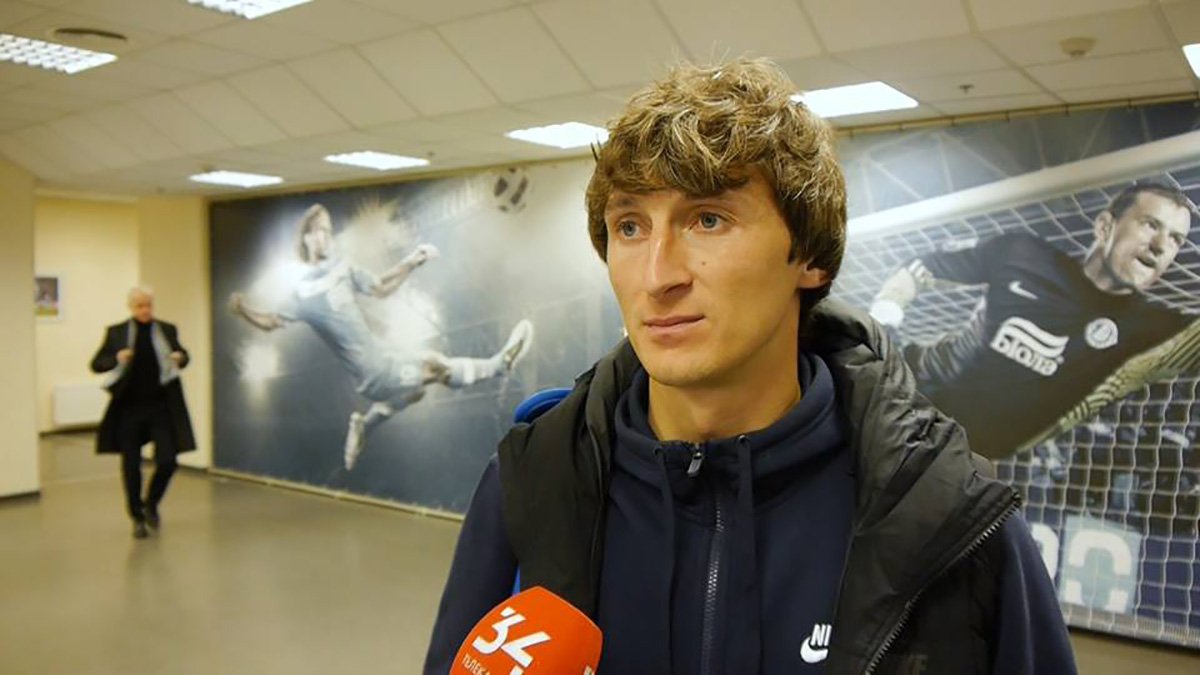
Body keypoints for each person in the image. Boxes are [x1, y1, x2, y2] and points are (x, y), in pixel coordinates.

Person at [425, 59, 1075, 674]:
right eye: (630, 227)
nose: (656, 276)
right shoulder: (532, 481)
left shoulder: (948, 515)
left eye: (708, 219)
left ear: (809, 257)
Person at [869, 182, 1198, 459]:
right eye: (1150, 225)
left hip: (965, 457)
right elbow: (920, 268)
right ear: (1104, 226)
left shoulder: (1155, 330)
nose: (1160, 246)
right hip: (903, 399)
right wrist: (882, 326)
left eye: (1175, 239)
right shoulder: (1023, 255)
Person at [229, 203, 534, 470]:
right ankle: (499, 366)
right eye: (318, 230)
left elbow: (379, 287)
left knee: (415, 391)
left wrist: (412, 261)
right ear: (306, 237)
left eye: (328, 230)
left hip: (384, 355)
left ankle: (365, 425)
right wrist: (244, 310)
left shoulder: (343, 269)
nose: (325, 236)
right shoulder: (303, 294)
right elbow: (270, 321)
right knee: (435, 366)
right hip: (373, 373)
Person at [90, 286, 196, 539]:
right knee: (131, 465)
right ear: (131, 307)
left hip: (161, 407)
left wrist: (180, 358)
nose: (145, 310)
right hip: (129, 409)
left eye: (148, 305)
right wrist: (117, 358)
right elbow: (96, 364)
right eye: (140, 306)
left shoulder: (166, 330)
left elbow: (184, 356)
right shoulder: (117, 332)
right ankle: (136, 516)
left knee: (168, 461)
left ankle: (151, 503)